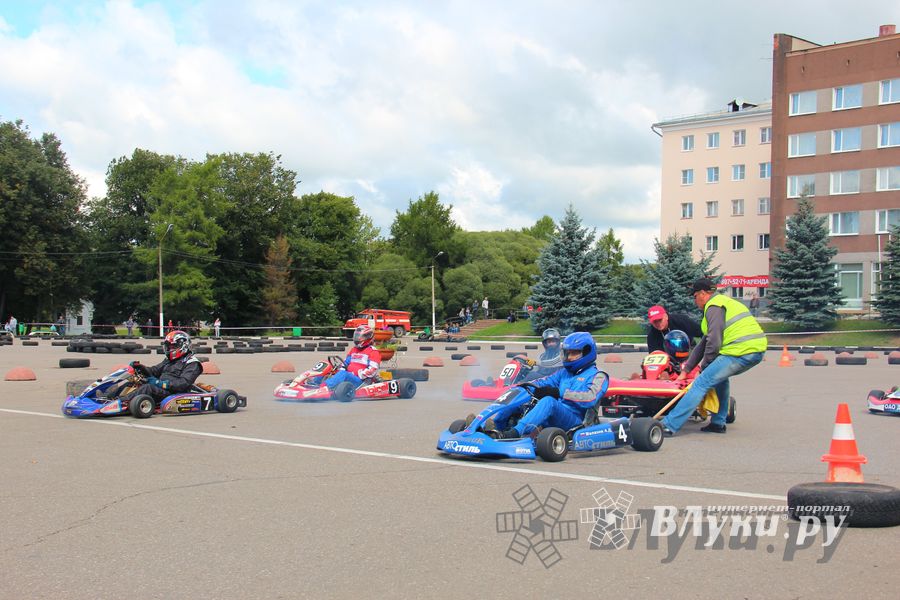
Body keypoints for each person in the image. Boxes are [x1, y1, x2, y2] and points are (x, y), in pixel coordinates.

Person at [660, 278, 767, 435]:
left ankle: (669, 425)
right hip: (754, 350)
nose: (694, 300)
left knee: (700, 383)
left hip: (740, 350)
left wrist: (703, 368)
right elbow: (703, 344)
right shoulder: (724, 303)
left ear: (703, 293)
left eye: (695, 296)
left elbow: (714, 342)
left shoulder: (714, 307)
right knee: (719, 380)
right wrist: (686, 370)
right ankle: (718, 422)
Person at [488, 332, 608, 439]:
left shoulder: (599, 376)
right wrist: (523, 387)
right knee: (522, 398)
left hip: (577, 422)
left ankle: (514, 434)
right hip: (557, 414)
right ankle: (494, 429)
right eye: (568, 353)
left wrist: (559, 393)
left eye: (574, 353)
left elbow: (590, 398)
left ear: (587, 352)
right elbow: (543, 382)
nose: (570, 357)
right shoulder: (564, 373)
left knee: (548, 401)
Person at [123, 330, 202, 407]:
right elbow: (155, 370)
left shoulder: (193, 363)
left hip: (173, 394)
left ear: (184, 345)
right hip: (161, 389)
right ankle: (111, 399)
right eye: (169, 347)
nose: (170, 349)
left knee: (148, 387)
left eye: (173, 346)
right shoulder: (169, 360)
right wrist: (140, 367)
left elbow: (183, 383)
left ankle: (121, 403)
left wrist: (161, 383)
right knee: (131, 384)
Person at [324, 325, 382, 390]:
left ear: (368, 337)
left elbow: (372, 370)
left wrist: (356, 373)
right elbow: (345, 363)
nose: (358, 339)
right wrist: (338, 370)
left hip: (360, 381)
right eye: (357, 336)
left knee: (343, 374)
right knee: (328, 368)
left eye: (360, 337)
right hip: (349, 376)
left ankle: (324, 387)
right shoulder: (354, 350)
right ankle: (313, 384)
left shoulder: (373, 351)